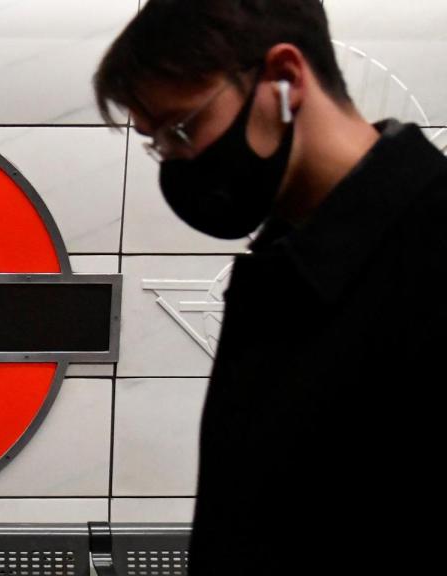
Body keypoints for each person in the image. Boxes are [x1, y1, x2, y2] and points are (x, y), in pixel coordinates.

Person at [93, 1, 445, 574]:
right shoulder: (280, 269)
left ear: (284, 78)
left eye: (182, 128)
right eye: (158, 143)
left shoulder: (428, 255)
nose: (176, 163)